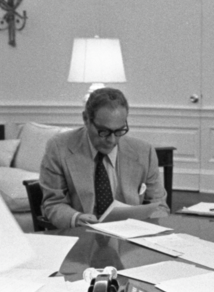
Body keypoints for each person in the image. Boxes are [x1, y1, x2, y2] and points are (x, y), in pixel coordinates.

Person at [39, 86, 169, 229]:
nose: (112, 140)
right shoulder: (59, 147)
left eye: (119, 130)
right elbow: (53, 203)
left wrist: (148, 228)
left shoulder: (144, 151)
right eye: (104, 131)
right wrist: (76, 218)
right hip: (82, 237)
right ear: (86, 119)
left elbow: (159, 205)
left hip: (130, 241)